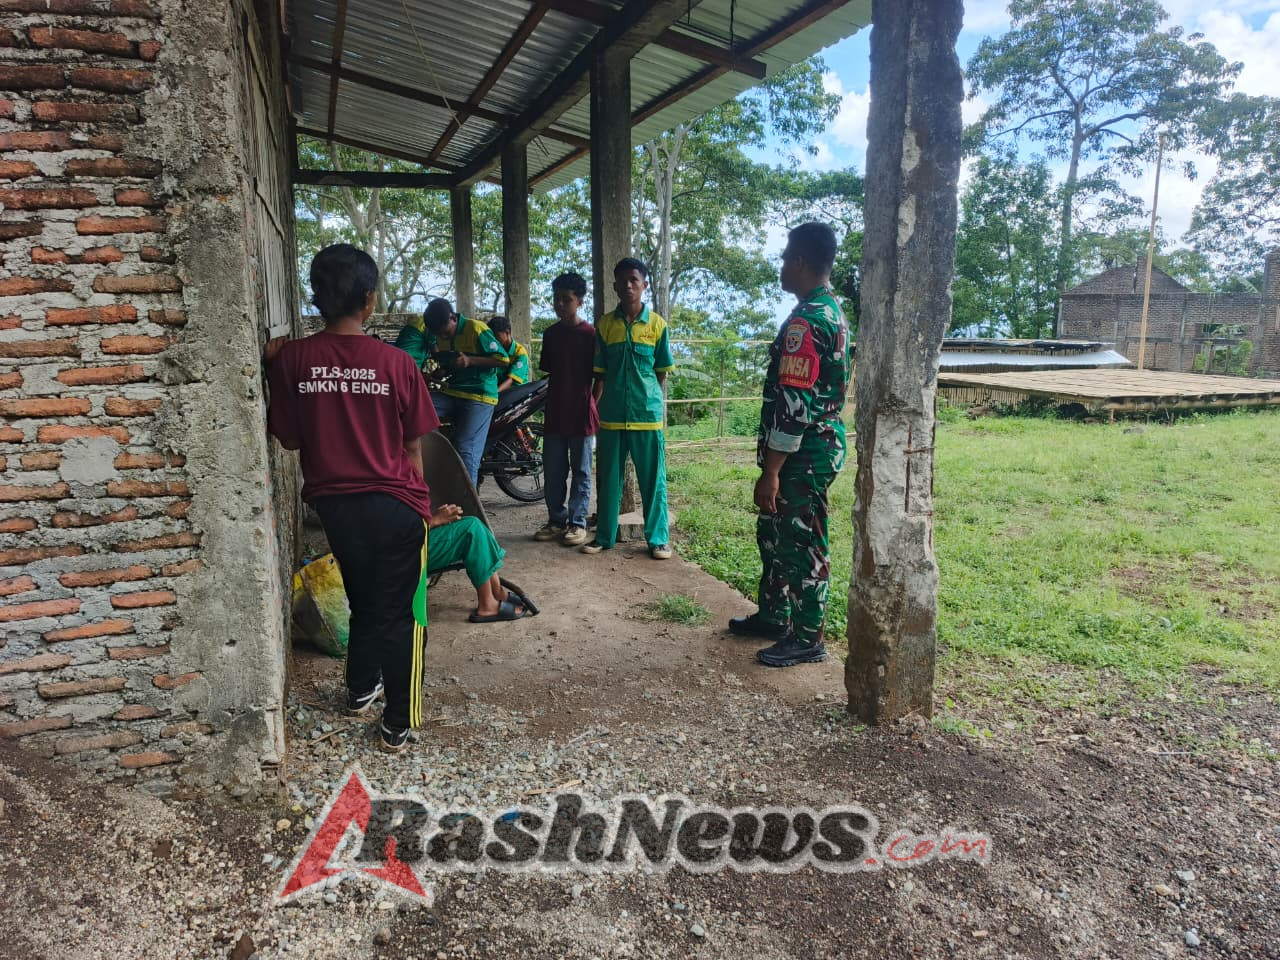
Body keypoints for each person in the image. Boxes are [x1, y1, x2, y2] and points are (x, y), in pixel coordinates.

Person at [265, 243, 439, 753]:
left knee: (363, 599)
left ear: (317, 297)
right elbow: (413, 447)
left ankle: (361, 688)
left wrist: (277, 363)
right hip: (397, 506)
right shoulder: (397, 363)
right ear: (369, 300)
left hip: (336, 509)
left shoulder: (294, 359)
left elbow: (289, 439)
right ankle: (398, 721)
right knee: (402, 614)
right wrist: (423, 507)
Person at [730, 222, 851, 668]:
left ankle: (807, 637)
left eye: (784, 258)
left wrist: (772, 471)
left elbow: (795, 406)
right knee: (776, 532)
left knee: (802, 542)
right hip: (809, 447)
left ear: (799, 262)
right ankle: (775, 616)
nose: (781, 266)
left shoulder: (807, 321)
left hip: (804, 453)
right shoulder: (830, 311)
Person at [580, 258, 674, 560]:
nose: (628, 285)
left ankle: (658, 540)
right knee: (609, 479)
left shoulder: (657, 325)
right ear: (615, 286)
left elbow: (660, 372)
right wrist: (595, 407)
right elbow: (600, 373)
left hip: (646, 416)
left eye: (634, 279)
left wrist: (647, 398)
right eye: (623, 280)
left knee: (653, 481)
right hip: (611, 416)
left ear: (644, 284)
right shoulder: (606, 325)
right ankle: (604, 537)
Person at [395, 299, 510, 489]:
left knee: (465, 448)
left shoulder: (476, 329)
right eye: (438, 334)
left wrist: (470, 360)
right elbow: (450, 360)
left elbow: (503, 360)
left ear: (453, 318)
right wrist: (443, 370)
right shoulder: (439, 334)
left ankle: (469, 499)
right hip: (452, 391)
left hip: (479, 395)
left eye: (445, 332)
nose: (442, 336)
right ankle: (435, 456)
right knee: (417, 410)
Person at [534, 272, 598, 547]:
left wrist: (591, 404)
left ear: (580, 301)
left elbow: (600, 376)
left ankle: (577, 522)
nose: (559, 304)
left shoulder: (590, 335)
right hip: (555, 412)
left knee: (581, 471)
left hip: (582, 413)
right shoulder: (551, 334)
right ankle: (556, 520)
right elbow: (551, 373)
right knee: (553, 470)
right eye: (556, 298)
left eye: (566, 299)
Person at [427, 503, 533, 621]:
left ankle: (497, 592)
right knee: (471, 531)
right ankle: (487, 605)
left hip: (418, 536)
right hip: (414, 551)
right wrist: (434, 520)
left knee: (474, 522)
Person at [487, 315, 530, 394]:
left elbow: (510, 381)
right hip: (499, 390)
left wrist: (494, 394)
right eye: (492, 337)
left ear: (507, 332)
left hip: (516, 392)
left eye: (497, 336)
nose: (494, 340)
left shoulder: (520, 352)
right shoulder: (494, 350)